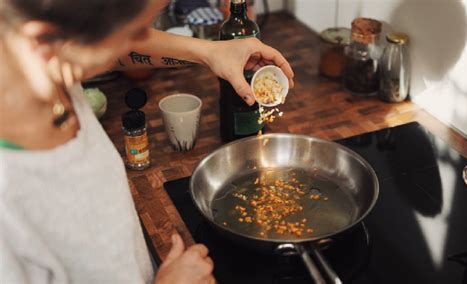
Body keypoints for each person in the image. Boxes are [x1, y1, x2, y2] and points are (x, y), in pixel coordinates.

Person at [0, 0, 294, 283]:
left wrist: (210, 52)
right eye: (135, 30)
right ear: (44, 42)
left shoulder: (46, 69)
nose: (141, 40)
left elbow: (121, 47)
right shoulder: (8, 203)